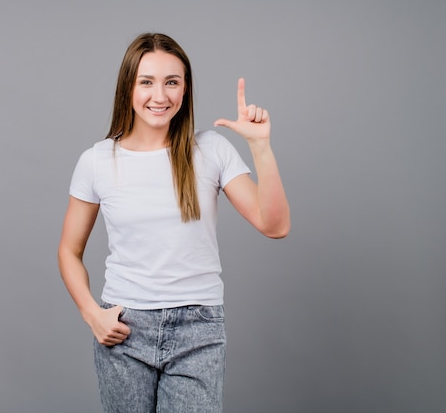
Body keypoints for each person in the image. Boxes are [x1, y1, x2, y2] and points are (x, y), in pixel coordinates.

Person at [58, 32, 290, 413]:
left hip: (198, 331)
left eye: (172, 82)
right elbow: (68, 251)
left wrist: (261, 147)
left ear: (185, 90)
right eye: (146, 82)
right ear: (128, 87)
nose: (159, 96)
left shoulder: (211, 150)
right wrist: (91, 313)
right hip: (124, 331)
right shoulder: (97, 161)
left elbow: (275, 225)